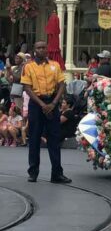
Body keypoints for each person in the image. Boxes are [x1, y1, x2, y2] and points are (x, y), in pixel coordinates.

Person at [21, 40, 70, 184]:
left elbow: (61, 85)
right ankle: (33, 172)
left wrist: (53, 103)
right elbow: (27, 88)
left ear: (47, 50)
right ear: (34, 50)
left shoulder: (55, 65)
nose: (41, 50)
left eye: (43, 48)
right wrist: (43, 105)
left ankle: (57, 174)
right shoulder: (28, 67)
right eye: (38, 48)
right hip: (36, 105)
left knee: (54, 140)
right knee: (35, 139)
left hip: (52, 103)